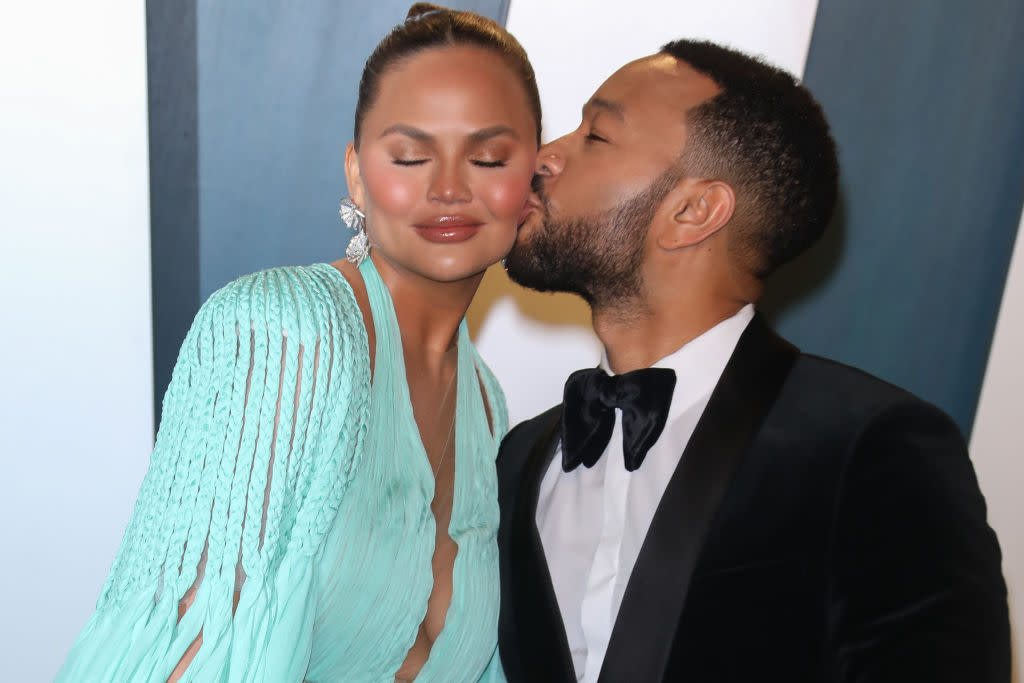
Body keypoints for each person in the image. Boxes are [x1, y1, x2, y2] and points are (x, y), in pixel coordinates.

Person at [496, 40, 1009, 682]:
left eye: (596, 135)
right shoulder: (522, 456)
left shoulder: (872, 451)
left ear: (693, 211)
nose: (544, 156)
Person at [58, 4, 540, 681]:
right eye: (410, 154)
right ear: (355, 175)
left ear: (530, 182)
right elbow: (180, 655)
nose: (450, 187)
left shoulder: (488, 406)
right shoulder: (283, 331)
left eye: (488, 156)